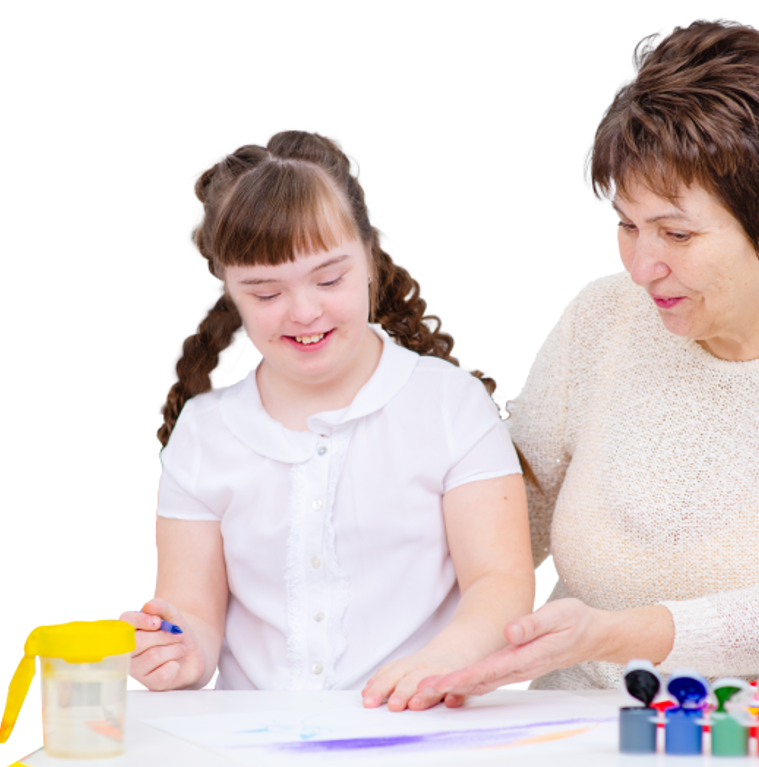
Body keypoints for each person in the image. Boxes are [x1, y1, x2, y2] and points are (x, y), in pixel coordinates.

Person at [418, 16, 759, 698]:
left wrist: (614, 634)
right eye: (627, 224)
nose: (642, 266)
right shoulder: (602, 313)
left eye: (677, 234)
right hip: (571, 729)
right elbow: (503, 523)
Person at [119, 127, 535, 712]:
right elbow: (194, 615)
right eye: (266, 293)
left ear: (368, 256)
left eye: (329, 278)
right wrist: (177, 653)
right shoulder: (205, 434)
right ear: (228, 289)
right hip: (257, 742)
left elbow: (502, 583)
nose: (304, 311)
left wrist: (445, 660)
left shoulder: (450, 406)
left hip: (420, 729)